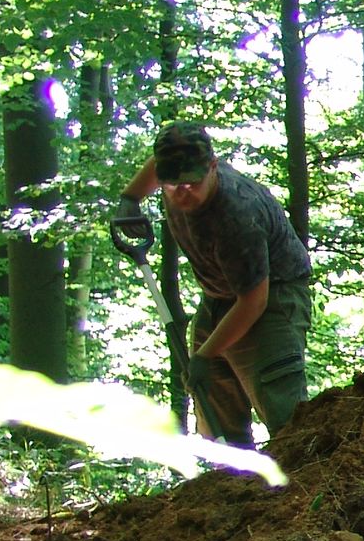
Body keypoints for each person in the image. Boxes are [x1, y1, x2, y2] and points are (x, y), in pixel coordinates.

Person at [112, 122, 312, 448]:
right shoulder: (174, 174)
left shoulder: (237, 215)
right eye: (171, 182)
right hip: (218, 295)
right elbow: (158, 163)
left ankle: (300, 488)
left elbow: (253, 302)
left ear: (212, 167)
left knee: (284, 413)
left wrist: (205, 355)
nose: (181, 191)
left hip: (272, 296)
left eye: (191, 181)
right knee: (212, 403)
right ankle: (234, 485)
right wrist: (130, 198)